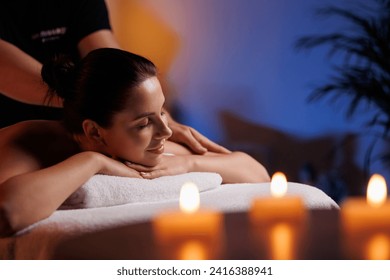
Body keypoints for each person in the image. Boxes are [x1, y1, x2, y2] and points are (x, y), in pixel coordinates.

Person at [0, 48, 270, 236]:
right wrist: (92, 162)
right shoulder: (29, 142)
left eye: (162, 112)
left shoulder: (154, 144)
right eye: (144, 123)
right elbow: (8, 212)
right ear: (94, 133)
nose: (166, 131)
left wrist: (188, 163)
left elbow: (258, 173)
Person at [0, 0, 227, 154]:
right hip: (22, 133)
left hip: (92, 129)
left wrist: (160, 117)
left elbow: (111, 63)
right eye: (146, 121)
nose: (164, 131)